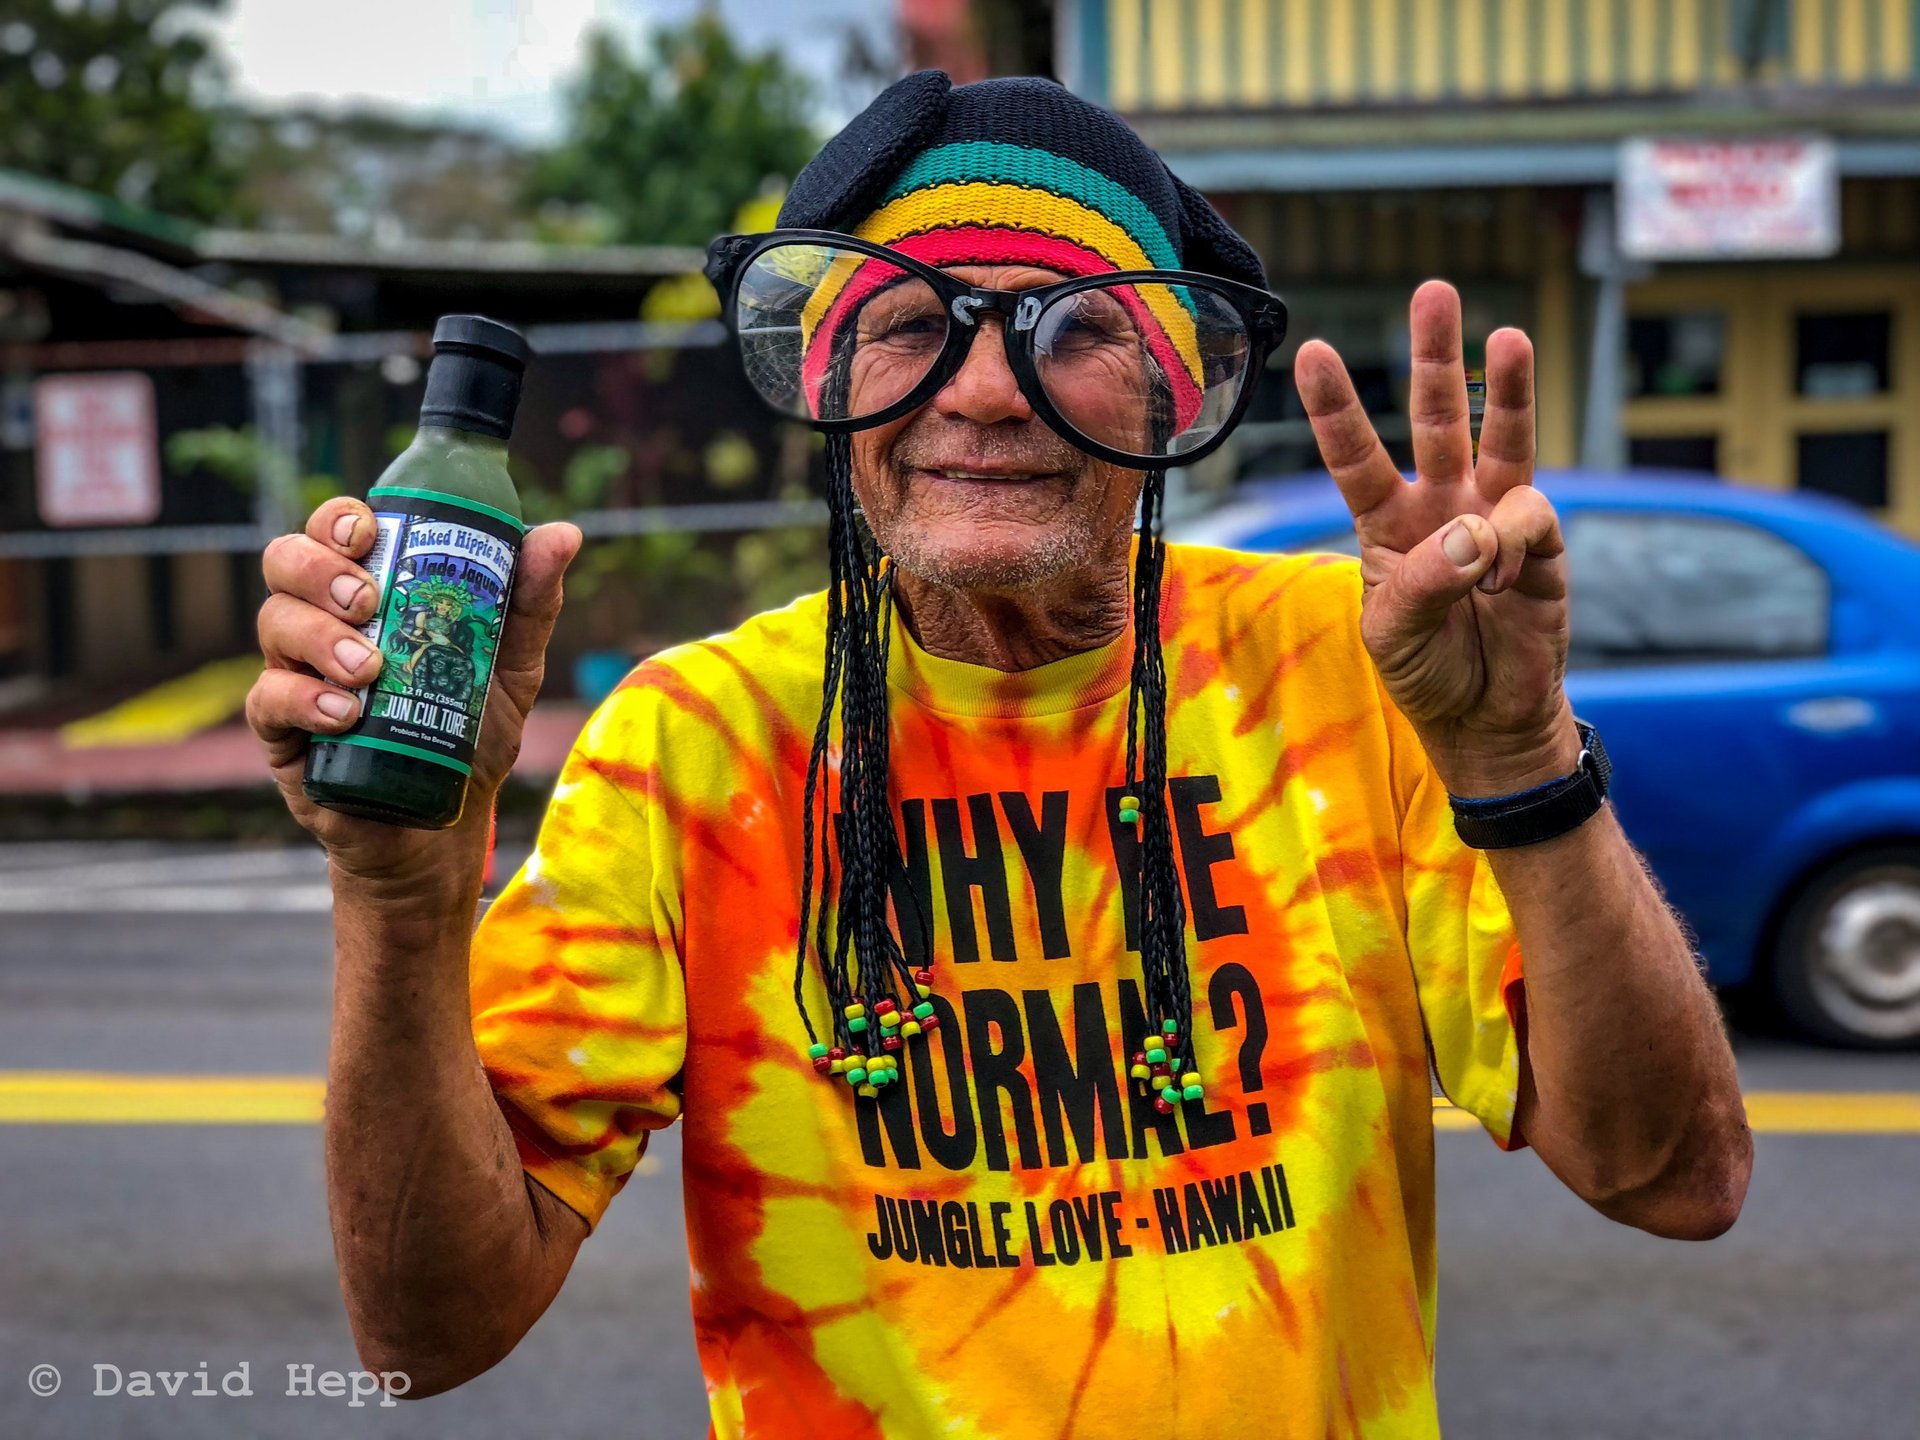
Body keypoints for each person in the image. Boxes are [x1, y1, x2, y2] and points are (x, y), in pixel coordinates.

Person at [247, 72, 1751, 1439]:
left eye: (1075, 326)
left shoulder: (1344, 669)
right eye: (911, 325)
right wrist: (399, 902)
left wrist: (1518, 757)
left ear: (1171, 395)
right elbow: (427, 1336)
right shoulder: (697, 744)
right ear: (834, 392)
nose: (979, 390)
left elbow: (1675, 1178)